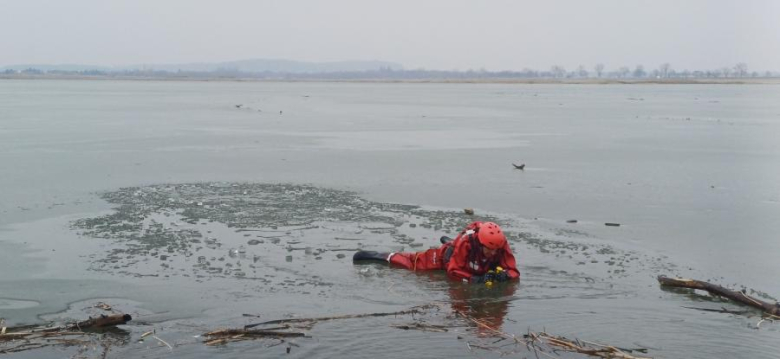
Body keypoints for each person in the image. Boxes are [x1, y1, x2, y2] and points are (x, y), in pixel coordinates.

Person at [353, 221, 520, 283]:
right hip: (445, 259)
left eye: (495, 251)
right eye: (489, 250)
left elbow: (513, 270)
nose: (492, 254)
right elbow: (453, 271)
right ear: (480, 242)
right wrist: (475, 279)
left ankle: (449, 242)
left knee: (458, 249)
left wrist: (505, 276)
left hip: (469, 259)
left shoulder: (500, 244)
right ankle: (382, 256)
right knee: (414, 263)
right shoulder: (466, 243)